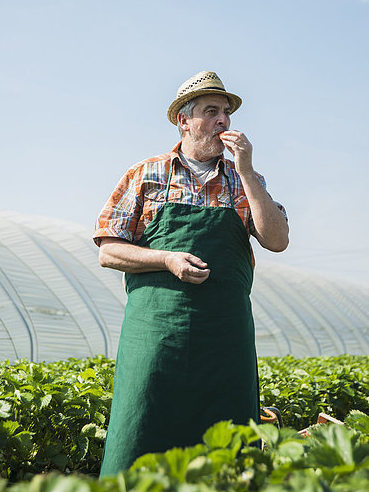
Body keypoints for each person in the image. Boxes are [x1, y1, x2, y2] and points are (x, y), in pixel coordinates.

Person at [93, 70, 289, 477]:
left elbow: (277, 239)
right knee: (143, 423)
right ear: (184, 120)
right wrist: (166, 259)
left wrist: (249, 173)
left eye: (227, 114)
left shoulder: (244, 181)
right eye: (212, 111)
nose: (224, 121)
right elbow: (109, 251)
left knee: (228, 441)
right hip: (157, 335)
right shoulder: (145, 174)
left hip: (225, 338)